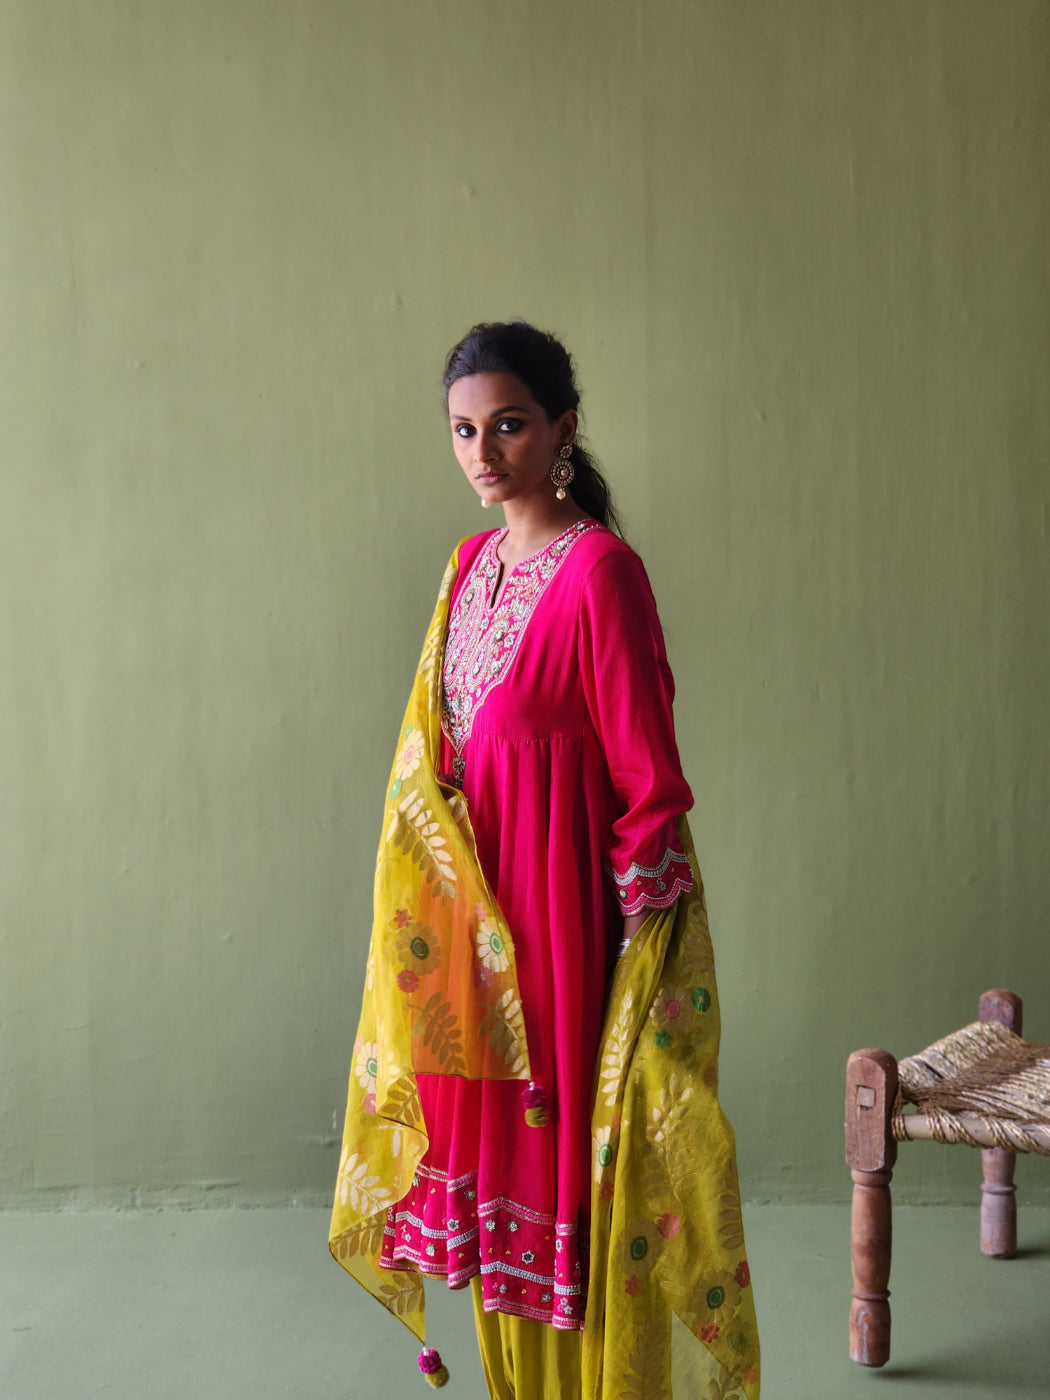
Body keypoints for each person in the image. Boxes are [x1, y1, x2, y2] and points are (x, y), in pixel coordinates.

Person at [330, 322, 760, 1400]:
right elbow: (438, 760)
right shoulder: (468, 568)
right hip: (473, 940)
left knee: (574, 1178)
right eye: (463, 430)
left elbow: (649, 782)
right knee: (495, 1202)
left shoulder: (602, 574)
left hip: (567, 937)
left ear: (563, 429)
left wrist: (633, 966)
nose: (483, 452)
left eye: (509, 425)